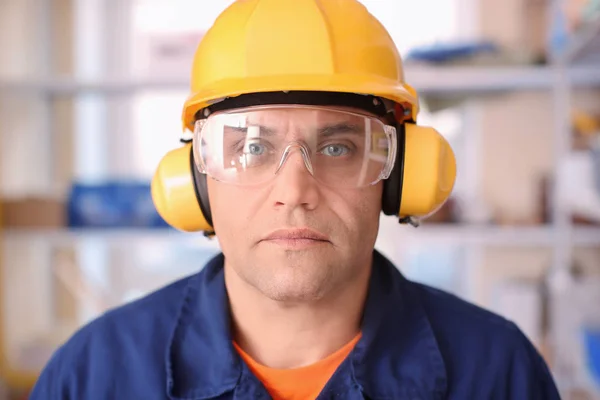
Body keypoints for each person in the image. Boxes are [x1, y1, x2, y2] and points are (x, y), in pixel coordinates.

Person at [31, 0, 561, 399]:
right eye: (253, 147)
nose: (295, 193)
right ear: (196, 179)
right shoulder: (92, 376)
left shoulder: (497, 372)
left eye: (337, 147)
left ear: (401, 175)